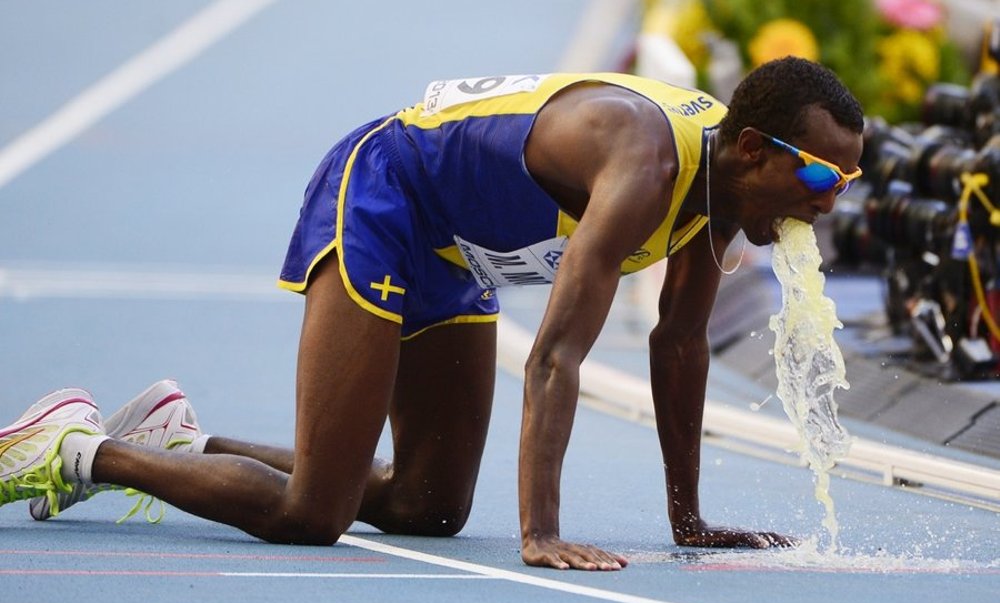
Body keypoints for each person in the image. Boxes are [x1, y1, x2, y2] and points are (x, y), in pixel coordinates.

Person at [0, 56, 863, 571]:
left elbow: (679, 346)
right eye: (824, 179)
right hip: (386, 195)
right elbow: (555, 356)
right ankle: (84, 452)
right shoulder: (644, 166)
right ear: (754, 149)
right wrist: (542, 532)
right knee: (314, 516)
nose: (830, 204)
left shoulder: (723, 191)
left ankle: (183, 441)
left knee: (427, 506)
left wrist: (689, 520)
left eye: (848, 184)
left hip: (456, 245)